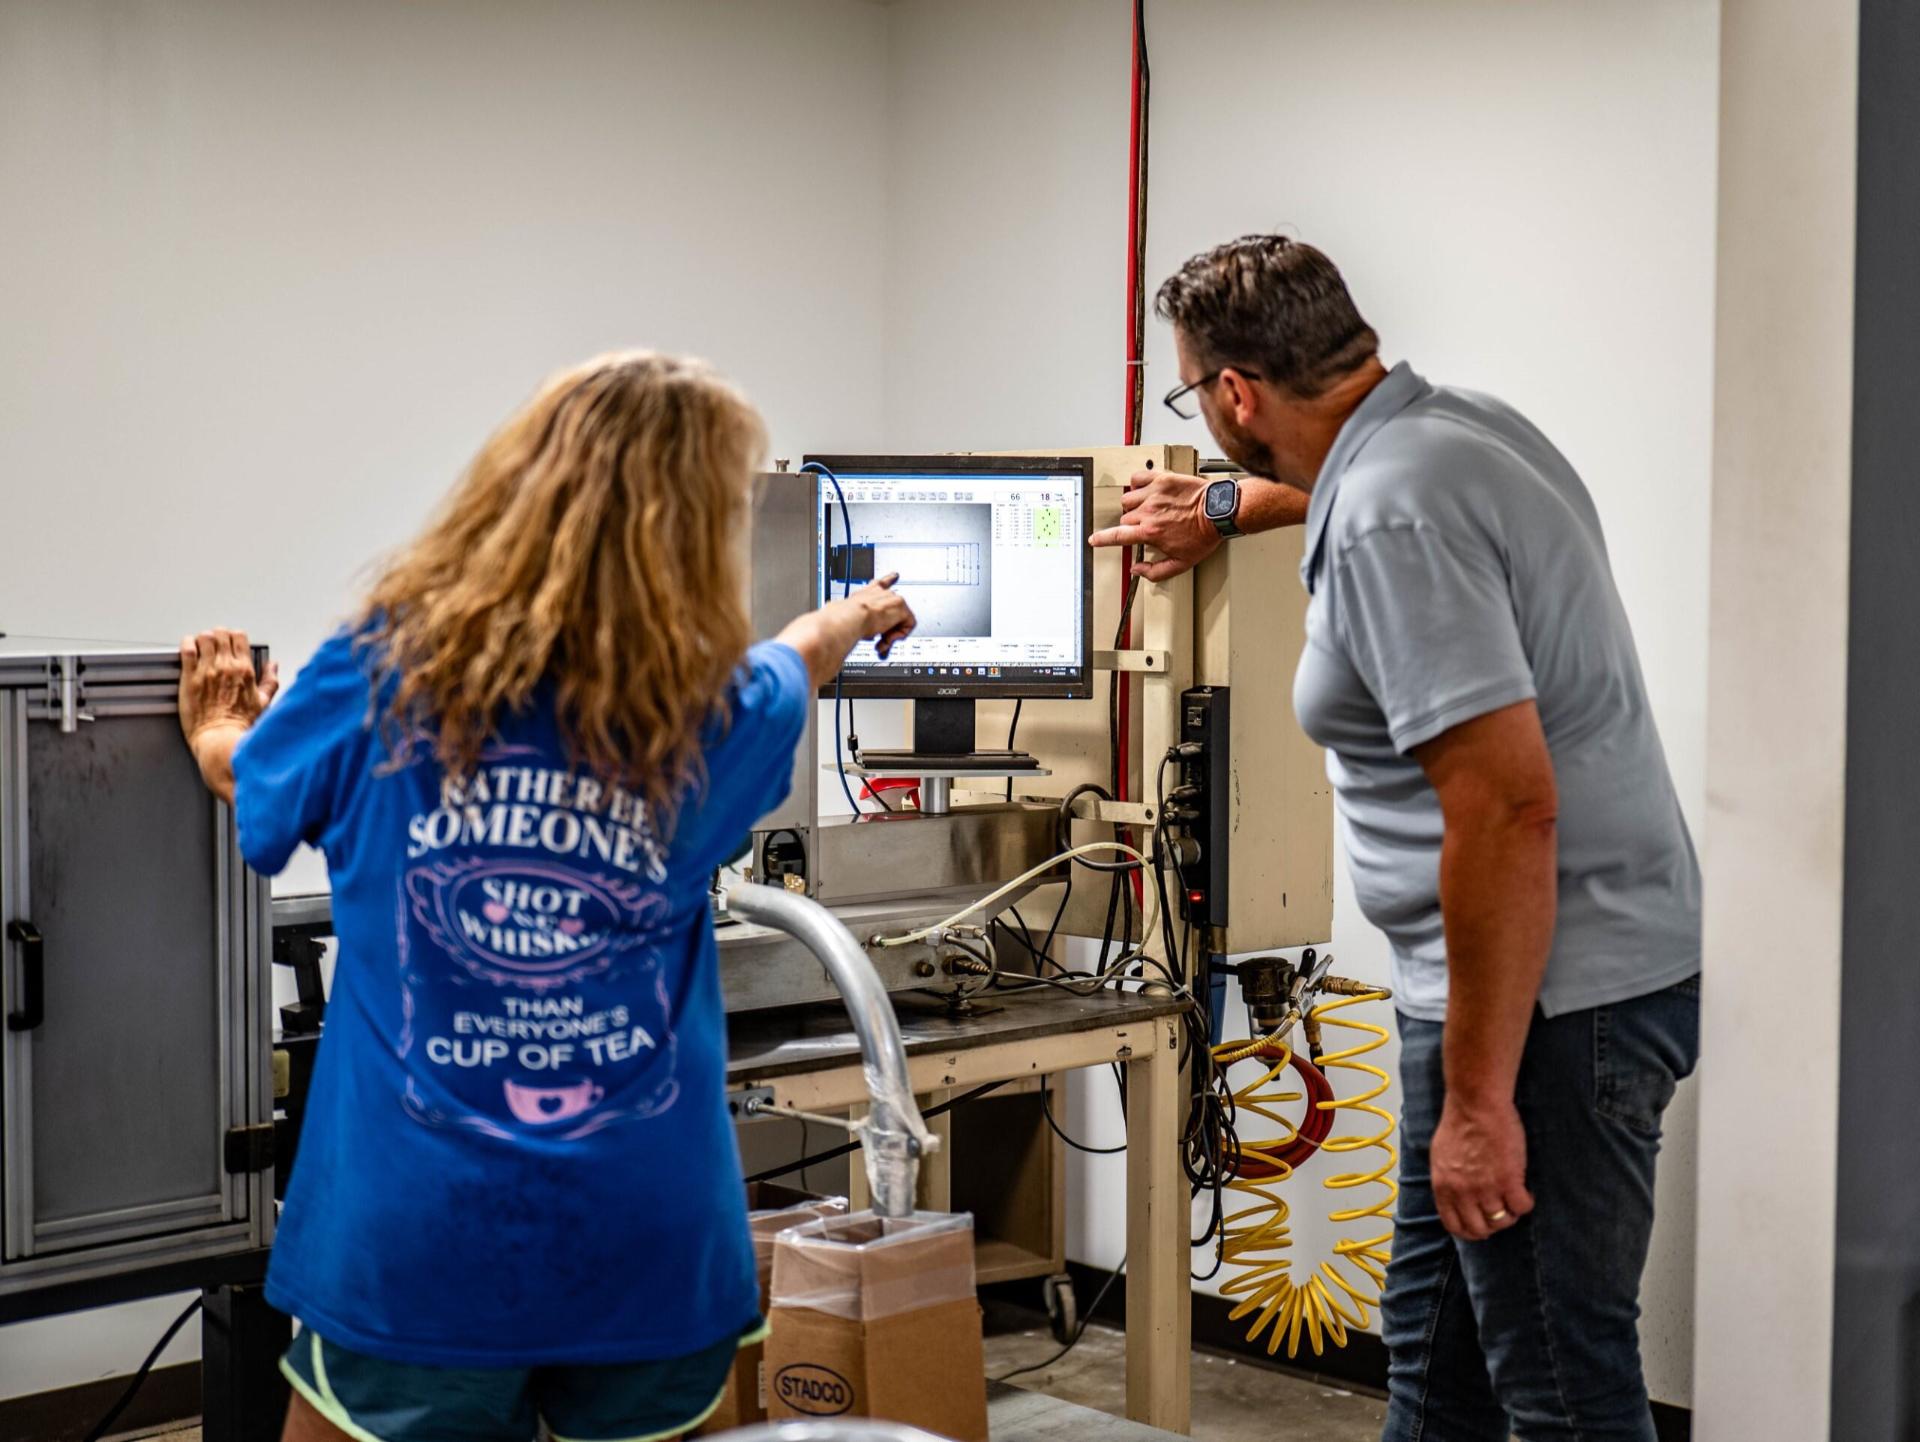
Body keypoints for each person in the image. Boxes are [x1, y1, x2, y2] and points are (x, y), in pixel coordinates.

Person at [176, 351, 915, 1442]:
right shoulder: (706, 710)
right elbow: (796, 657)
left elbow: (253, 782)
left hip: (419, 1238)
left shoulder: (377, 673)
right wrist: (861, 612)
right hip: (648, 1236)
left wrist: (214, 730)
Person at [1093, 235, 1700, 1442]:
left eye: (1193, 398)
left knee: (1558, 1385)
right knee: (1435, 1360)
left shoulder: (1388, 519)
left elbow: (1506, 807)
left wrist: (1477, 1103)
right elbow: (1344, 491)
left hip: (1542, 1012)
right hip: (1542, 985)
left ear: (1235, 394)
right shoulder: (1460, 431)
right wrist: (1225, 504)